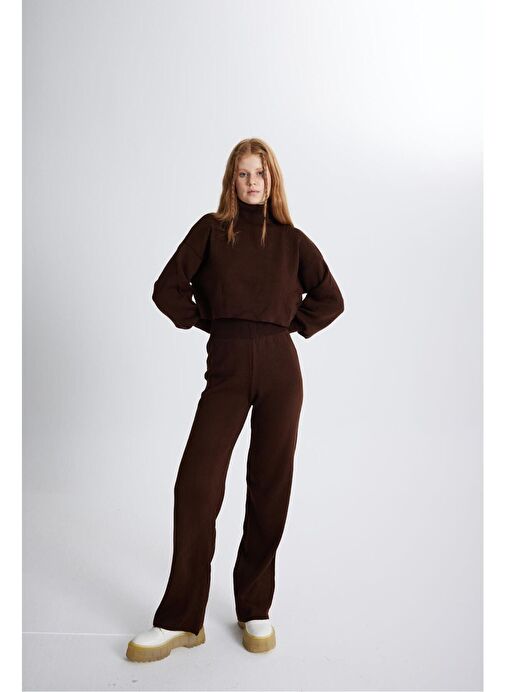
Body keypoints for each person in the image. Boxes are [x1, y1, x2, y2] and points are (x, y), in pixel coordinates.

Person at [126, 138, 345, 662]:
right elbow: (166, 288)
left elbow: (331, 298)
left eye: (260, 174)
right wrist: (211, 321)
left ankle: (254, 607)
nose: (252, 182)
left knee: (270, 485)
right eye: (244, 174)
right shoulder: (210, 230)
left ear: (272, 181)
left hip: (280, 369)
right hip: (226, 368)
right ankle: (181, 620)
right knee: (196, 484)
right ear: (231, 180)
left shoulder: (292, 240)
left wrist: (288, 325)